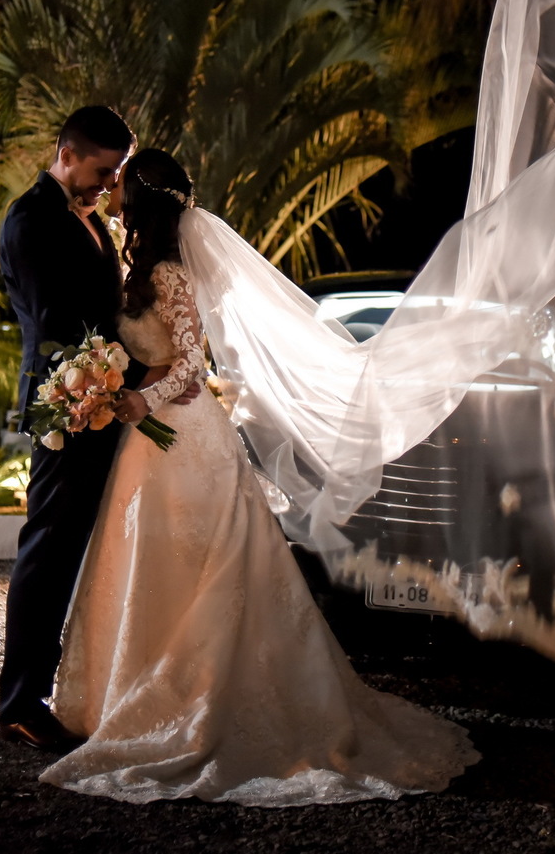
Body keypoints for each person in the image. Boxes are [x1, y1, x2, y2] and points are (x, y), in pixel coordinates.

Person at [37, 149, 479, 805]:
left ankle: (198, 698)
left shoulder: (171, 273)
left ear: (144, 202)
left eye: (123, 185)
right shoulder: (137, 266)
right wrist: (107, 383)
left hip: (182, 435)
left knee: (204, 569)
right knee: (146, 564)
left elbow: (191, 361)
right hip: (145, 442)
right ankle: (119, 694)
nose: (116, 193)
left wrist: (140, 400)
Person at [0, 107, 199, 751]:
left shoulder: (89, 222)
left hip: (106, 406)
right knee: (49, 551)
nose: (107, 185)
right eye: (100, 170)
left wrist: (148, 378)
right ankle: (21, 701)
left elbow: (108, 316)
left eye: (114, 174)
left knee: (91, 555)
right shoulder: (32, 220)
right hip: (67, 410)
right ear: (67, 152)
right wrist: (104, 386)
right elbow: (58, 329)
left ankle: (88, 686)